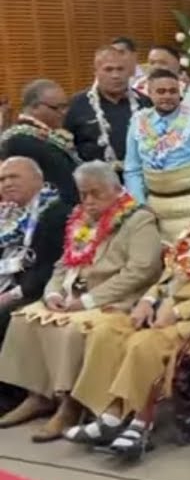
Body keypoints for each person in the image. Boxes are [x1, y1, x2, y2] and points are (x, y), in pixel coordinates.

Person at [63, 188, 190, 458]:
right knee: (106, 331)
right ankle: (108, 413)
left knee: (144, 342)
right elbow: (165, 280)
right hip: (164, 312)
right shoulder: (189, 239)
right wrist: (147, 300)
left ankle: (141, 421)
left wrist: (178, 311)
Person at [0, 161, 162, 440]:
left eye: (95, 194)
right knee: (24, 319)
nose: (87, 201)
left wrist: (88, 301)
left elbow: (140, 271)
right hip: (72, 294)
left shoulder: (139, 219)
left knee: (71, 331)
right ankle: (38, 395)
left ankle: (70, 405)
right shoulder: (80, 216)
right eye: (83, 194)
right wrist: (52, 293)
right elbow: (63, 264)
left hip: (116, 300)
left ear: (115, 189)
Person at [123, 70, 190, 243]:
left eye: (173, 91)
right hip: (153, 211)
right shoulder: (138, 123)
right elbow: (132, 169)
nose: (168, 96)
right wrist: (140, 206)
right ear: (149, 93)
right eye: (161, 91)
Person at [0, 158, 70, 348]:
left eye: (14, 177)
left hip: (35, 289)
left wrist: (11, 295)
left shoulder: (55, 213)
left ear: (38, 180)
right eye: (2, 179)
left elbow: (50, 268)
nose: (7, 183)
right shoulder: (8, 213)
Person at [64, 46, 149, 167]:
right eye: (108, 69)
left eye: (120, 69)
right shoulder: (77, 105)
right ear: (96, 72)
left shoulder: (145, 103)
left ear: (129, 72)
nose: (116, 75)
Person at [0, 79, 79, 204]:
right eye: (57, 108)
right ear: (34, 107)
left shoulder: (42, 136)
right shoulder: (20, 141)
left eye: (65, 106)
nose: (64, 113)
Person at [145, 45, 190, 115]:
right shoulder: (138, 92)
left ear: (177, 65)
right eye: (152, 63)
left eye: (162, 62)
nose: (156, 67)